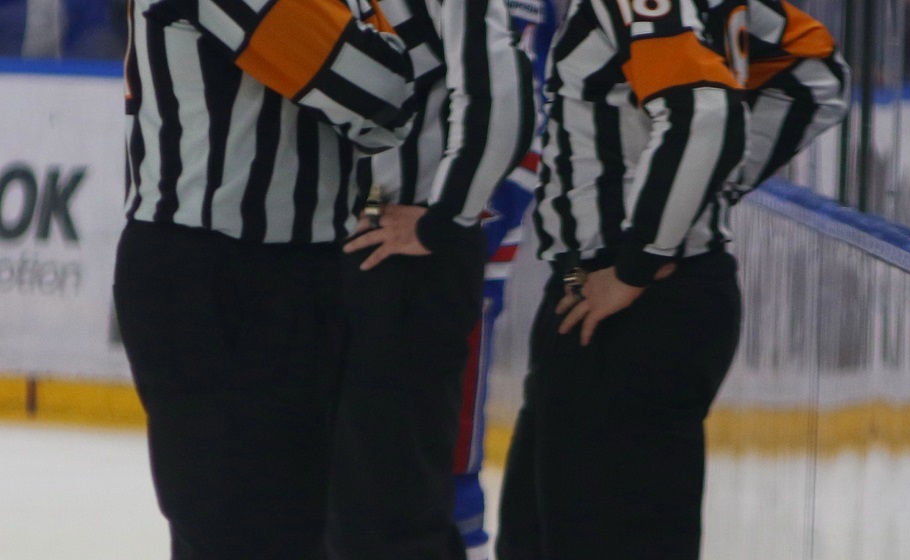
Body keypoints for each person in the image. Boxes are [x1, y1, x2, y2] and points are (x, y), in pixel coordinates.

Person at [495, 1, 850, 559]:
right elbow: (816, 71)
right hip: (614, 290)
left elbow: (704, 112)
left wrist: (642, 255)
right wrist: (700, 192)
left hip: (635, 300)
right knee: (541, 531)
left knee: (605, 537)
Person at [112, 1, 415, 558]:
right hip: (216, 278)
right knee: (240, 531)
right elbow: (384, 96)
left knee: (283, 530)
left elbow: (382, 99)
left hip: (286, 272)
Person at [324, 0, 534, 558]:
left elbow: (502, 93)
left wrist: (444, 221)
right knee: (346, 498)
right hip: (346, 254)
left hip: (403, 260)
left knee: (391, 503)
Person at [449, 0, 562, 558]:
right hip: (430, 223)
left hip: (464, 237)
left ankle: (459, 536)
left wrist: (466, 215)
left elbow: (525, 105)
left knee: (449, 440)